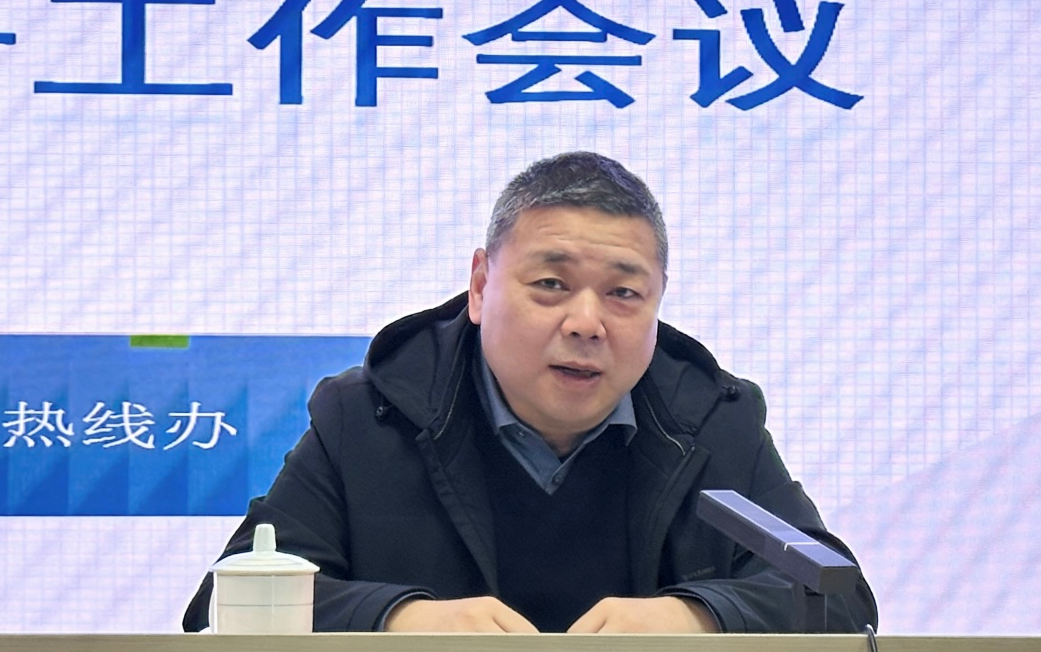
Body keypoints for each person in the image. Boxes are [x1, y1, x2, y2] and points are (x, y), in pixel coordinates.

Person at [183, 151, 878, 634]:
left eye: (623, 294)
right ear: (480, 285)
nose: (586, 323)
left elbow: (838, 597)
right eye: (550, 284)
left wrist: (697, 616)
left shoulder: (709, 418)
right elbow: (227, 599)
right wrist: (399, 618)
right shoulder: (371, 413)